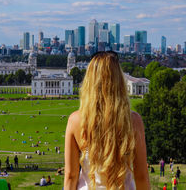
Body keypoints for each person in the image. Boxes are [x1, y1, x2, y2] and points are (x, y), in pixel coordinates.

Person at [64, 51, 150, 190]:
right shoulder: (133, 121)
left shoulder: (75, 120)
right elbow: (141, 176)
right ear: (119, 81)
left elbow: (70, 176)